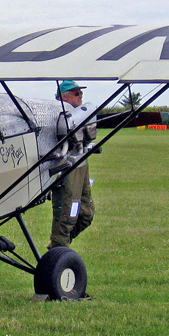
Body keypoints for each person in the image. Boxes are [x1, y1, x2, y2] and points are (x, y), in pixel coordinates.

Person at [49, 80, 95, 249]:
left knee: (86, 214)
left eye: (81, 93)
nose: (81, 96)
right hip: (66, 167)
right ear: (63, 97)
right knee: (69, 215)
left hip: (81, 163)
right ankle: (59, 247)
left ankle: (59, 245)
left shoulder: (79, 115)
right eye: (76, 93)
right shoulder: (56, 115)